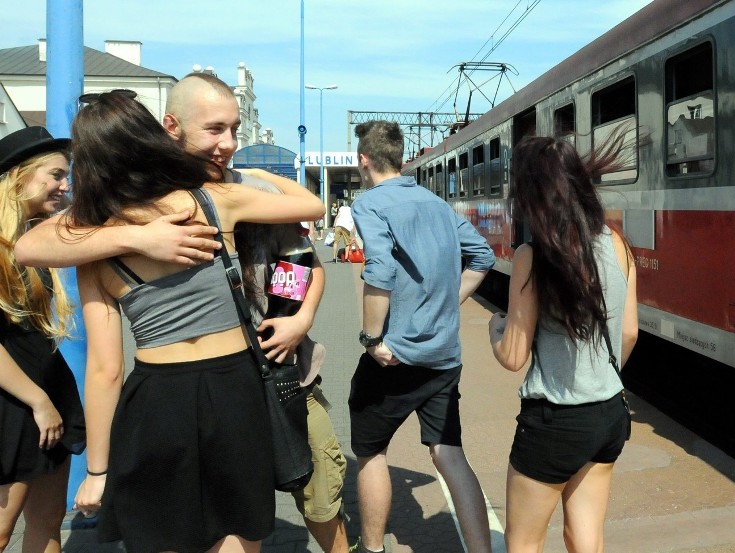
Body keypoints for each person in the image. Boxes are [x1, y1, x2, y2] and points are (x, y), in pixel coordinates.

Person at [15, 74, 351, 553]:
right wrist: (264, 179)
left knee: (163, 535)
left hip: (156, 397)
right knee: (240, 530)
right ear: (162, 136)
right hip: (237, 384)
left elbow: (106, 370)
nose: (228, 144)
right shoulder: (213, 201)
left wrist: (97, 471)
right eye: (216, 130)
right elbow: (312, 207)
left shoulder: (89, 247)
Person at [348, 120, 495, 553]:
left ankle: (373, 550)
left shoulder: (370, 203)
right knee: (449, 453)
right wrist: (449, 303)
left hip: (394, 358)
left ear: (364, 160)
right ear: (400, 156)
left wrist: (372, 339)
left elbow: (378, 270)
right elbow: (482, 256)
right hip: (444, 357)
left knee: (371, 454)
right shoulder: (436, 203)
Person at [488, 135, 638, 553]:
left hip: (554, 420)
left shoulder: (531, 258)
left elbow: (514, 356)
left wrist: (495, 331)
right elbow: (628, 334)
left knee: (523, 543)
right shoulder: (618, 246)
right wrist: (598, 380)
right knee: (586, 538)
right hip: (608, 413)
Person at [0, 127, 85, 553]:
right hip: (15, 403)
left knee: (48, 522)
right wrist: (38, 401)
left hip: (48, 395)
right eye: (54, 175)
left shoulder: (33, 242)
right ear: (18, 177)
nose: (64, 184)